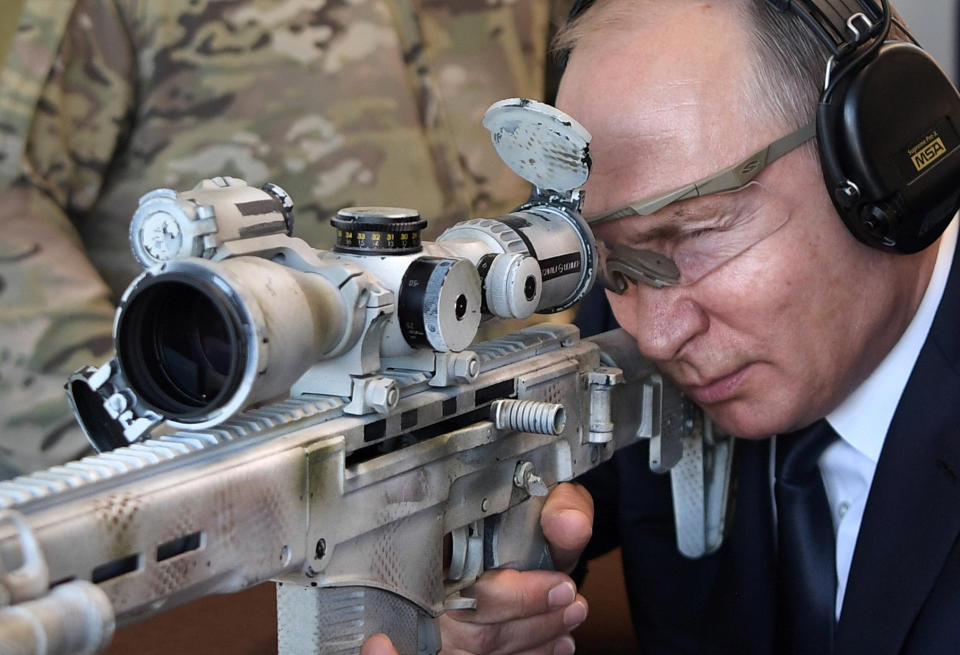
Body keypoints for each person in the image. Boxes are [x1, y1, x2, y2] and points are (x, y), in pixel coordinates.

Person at [364, 0, 960, 653]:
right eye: (616, 268)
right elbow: (517, 536)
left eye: (696, 234)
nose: (657, 336)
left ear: (884, 155)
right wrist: (477, 606)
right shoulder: (631, 327)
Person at [0, 0, 569, 478]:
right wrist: (151, 456)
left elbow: (565, 146)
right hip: (239, 470)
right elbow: (12, 202)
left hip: (497, 422)